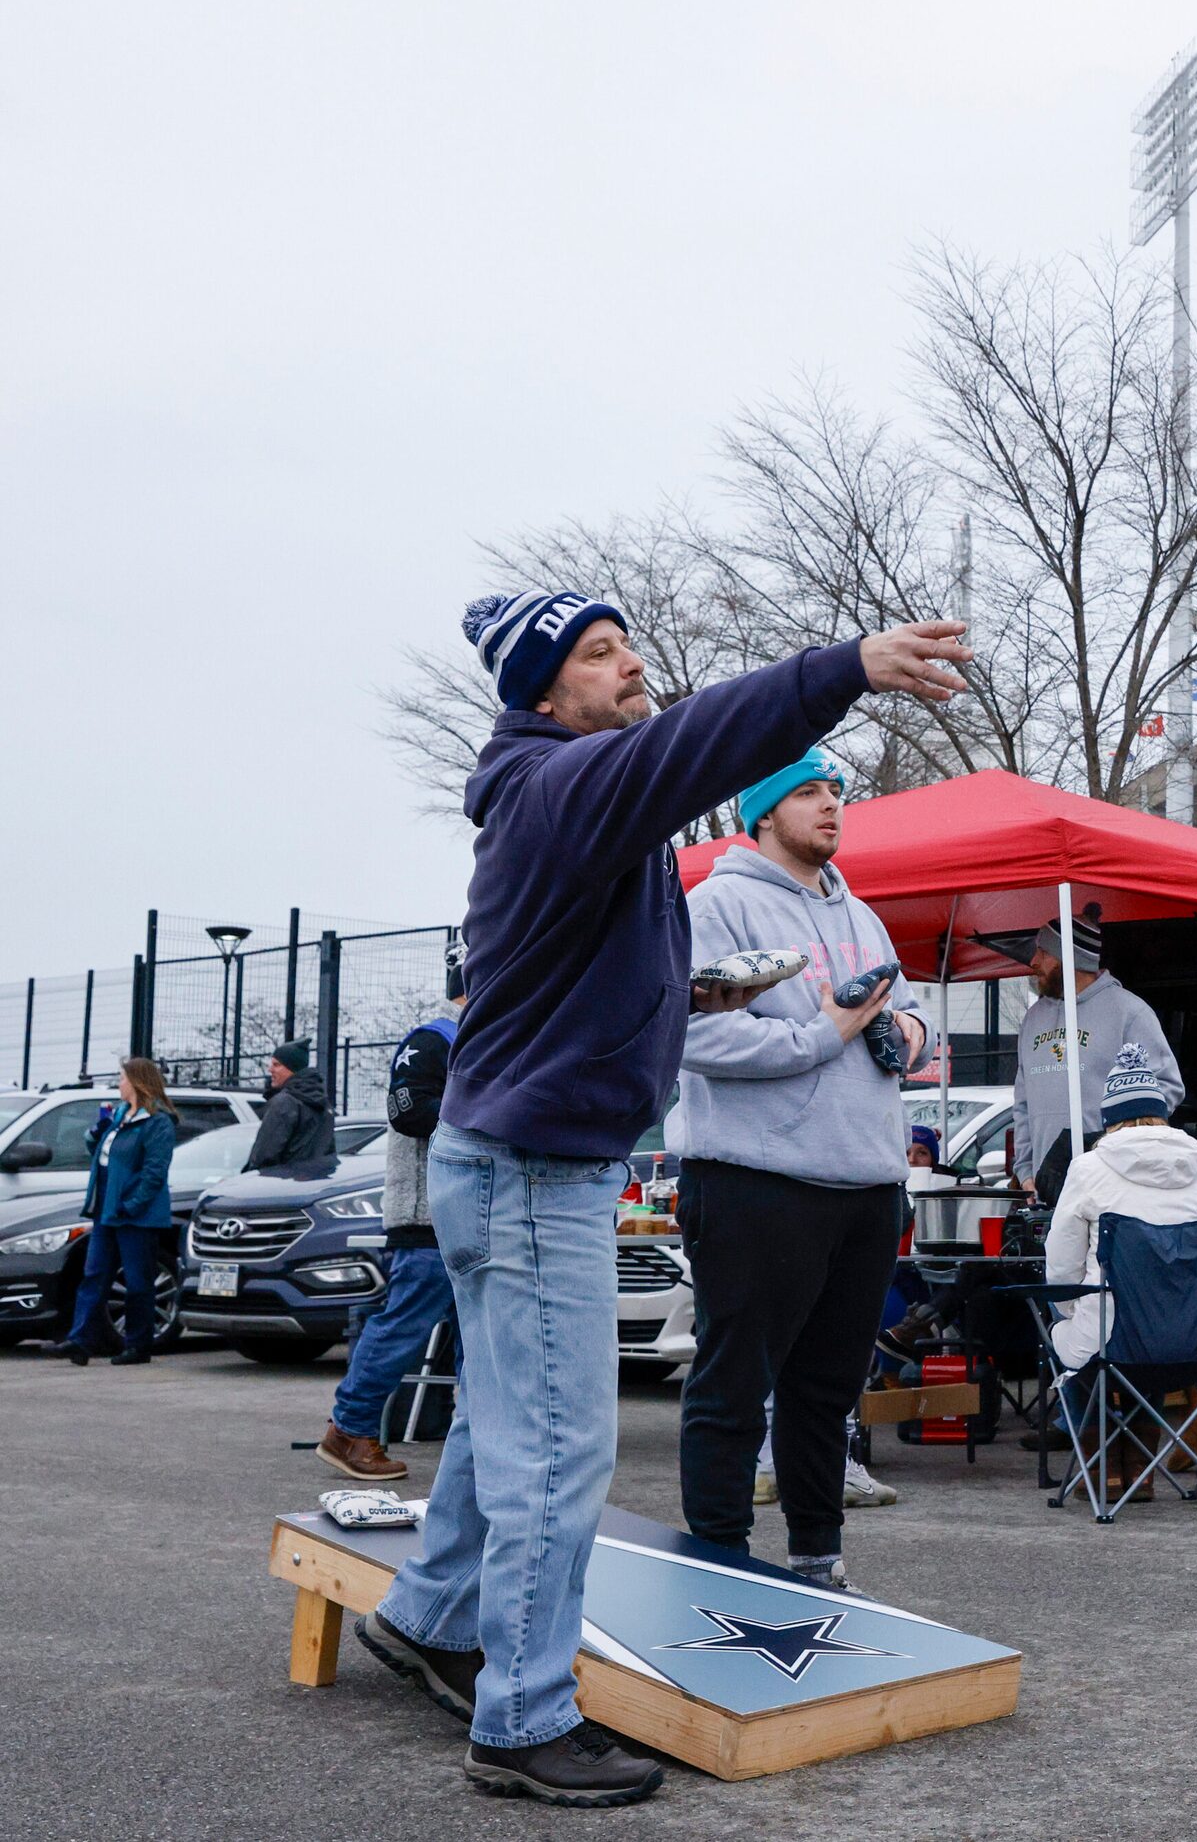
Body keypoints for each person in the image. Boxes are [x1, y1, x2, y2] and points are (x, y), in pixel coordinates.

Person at [348, 583, 970, 1811]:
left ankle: (427, 1617)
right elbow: (692, 746)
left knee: (494, 1421)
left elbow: (564, 991)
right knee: (558, 1451)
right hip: (530, 1175)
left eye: (629, 645)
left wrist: (692, 999)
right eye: (597, 653)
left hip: (512, 1160)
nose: (629, 667)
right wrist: (842, 664)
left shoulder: (568, 811)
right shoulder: (563, 789)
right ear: (542, 690)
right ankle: (521, 1721)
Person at [670, 746, 928, 1590]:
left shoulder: (864, 915)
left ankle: (819, 1562)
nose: (831, 806)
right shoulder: (716, 905)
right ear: (763, 814)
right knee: (734, 1389)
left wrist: (915, 1036)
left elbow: (907, 1008)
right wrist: (827, 1034)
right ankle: (719, 1568)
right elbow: (694, 1035)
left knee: (827, 1394)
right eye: (809, 793)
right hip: (756, 1182)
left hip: (865, 1184)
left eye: (837, 793)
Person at [1043, 1046, 1197, 1504]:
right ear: (1161, 1116)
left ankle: (1105, 1470)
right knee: (1144, 1319)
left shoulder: (1087, 1169)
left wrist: (1068, 1313)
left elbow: (1062, 1265)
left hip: (1116, 1341)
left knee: (1070, 1323)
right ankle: (1143, 1471)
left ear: (1110, 1119)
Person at [318, 960, 468, 1482]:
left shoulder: (471, 1038)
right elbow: (408, 1111)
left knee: (473, 1336)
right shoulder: (432, 1040)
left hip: (465, 1213)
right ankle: (350, 1429)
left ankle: (473, 1442)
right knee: (405, 1325)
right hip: (426, 1214)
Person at [1011, 910, 1180, 1209]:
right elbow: (1022, 1105)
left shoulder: (1129, 1012)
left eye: (1044, 952)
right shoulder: (1032, 1019)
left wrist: (1107, 1140)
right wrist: (1025, 1171)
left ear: (1072, 958)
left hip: (1113, 1187)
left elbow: (1166, 1089)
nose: (1033, 961)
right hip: (1045, 1191)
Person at [44, 1058, 179, 1366]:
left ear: (137, 1082)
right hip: (106, 1209)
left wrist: (131, 1205)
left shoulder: (158, 1122)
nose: (118, 1084)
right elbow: (102, 1155)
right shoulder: (120, 1115)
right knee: (94, 1275)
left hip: (135, 1214)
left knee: (137, 1280)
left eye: (122, 1078)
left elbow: (154, 1173)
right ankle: (80, 1341)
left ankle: (138, 1345)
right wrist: (97, 1130)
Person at [245, 1037, 336, 1171]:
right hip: (317, 1184)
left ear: (292, 1068)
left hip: (281, 1185)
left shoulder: (284, 1103)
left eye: (277, 1065)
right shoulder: (323, 1104)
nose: (270, 1070)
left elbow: (265, 1155)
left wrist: (245, 1180)